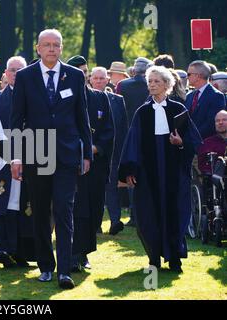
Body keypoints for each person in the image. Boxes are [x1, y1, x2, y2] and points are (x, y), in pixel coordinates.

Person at [11, 29, 92, 289]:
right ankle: (46, 265)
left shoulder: (75, 75)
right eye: (46, 45)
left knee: (64, 210)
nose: (51, 49)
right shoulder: (24, 77)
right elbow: (16, 119)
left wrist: (87, 153)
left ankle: (64, 270)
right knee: (41, 212)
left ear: (61, 48)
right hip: (36, 153)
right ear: (37, 48)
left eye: (56, 45)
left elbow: (83, 117)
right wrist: (15, 157)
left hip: (67, 154)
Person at [119, 66, 202, 273]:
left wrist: (180, 142)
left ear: (167, 85)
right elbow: (133, 143)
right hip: (148, 174)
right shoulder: (142, 112)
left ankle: (175, 258)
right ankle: (154, 257)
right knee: (148, 214)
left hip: (173, 173)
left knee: (175, 212)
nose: (152, 84)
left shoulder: (177, 109)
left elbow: (192, 141)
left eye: (157, 81)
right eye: (150, 81)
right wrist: (130, 170)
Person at [0, 56, 36, 268]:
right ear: (5, 73)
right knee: (4, 203)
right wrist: (14, 155)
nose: (15, 73)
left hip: (33, 158)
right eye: (12, 70)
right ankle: (4, 249)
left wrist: (26, 155)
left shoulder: (36, 96)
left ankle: (24, 251)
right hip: (3, 160)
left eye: (19, 70)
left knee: (28, 205)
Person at [67, 64, 114, 271]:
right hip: (71, 164)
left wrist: (94, 149)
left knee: (93, 210)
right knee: (77, 211)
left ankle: (84, 251)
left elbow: (109, 130)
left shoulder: (100, 98)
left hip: (94, 165)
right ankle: (73, 254)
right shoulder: (65, 98)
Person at [89, 67, 128, 235]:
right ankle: (95, 223)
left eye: (102, 78)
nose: (98, 81)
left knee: (112, 186)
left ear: (108, 80)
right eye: (95, 78)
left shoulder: (118, 100)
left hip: (114, 151)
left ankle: (115, 220)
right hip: (93, 151)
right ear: (90, 80)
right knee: (94, 189)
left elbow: (123, 127)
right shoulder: (85, 98)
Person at [116, 57, 153, 227]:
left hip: (127, 134)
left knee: (131, 173)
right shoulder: (152, 85)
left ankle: (134, 214)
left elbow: (117, 110)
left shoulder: (123, 86)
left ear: (133, 70)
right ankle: (147, 213)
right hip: (150, 134)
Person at [185, 60, 226, 140]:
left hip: (206, 144)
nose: (187, 77)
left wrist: (191, 138)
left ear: (198, 76)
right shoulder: (189, 95)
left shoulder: (216, 95)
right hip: (188, 145)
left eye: (189, 74)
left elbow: (211, 124)